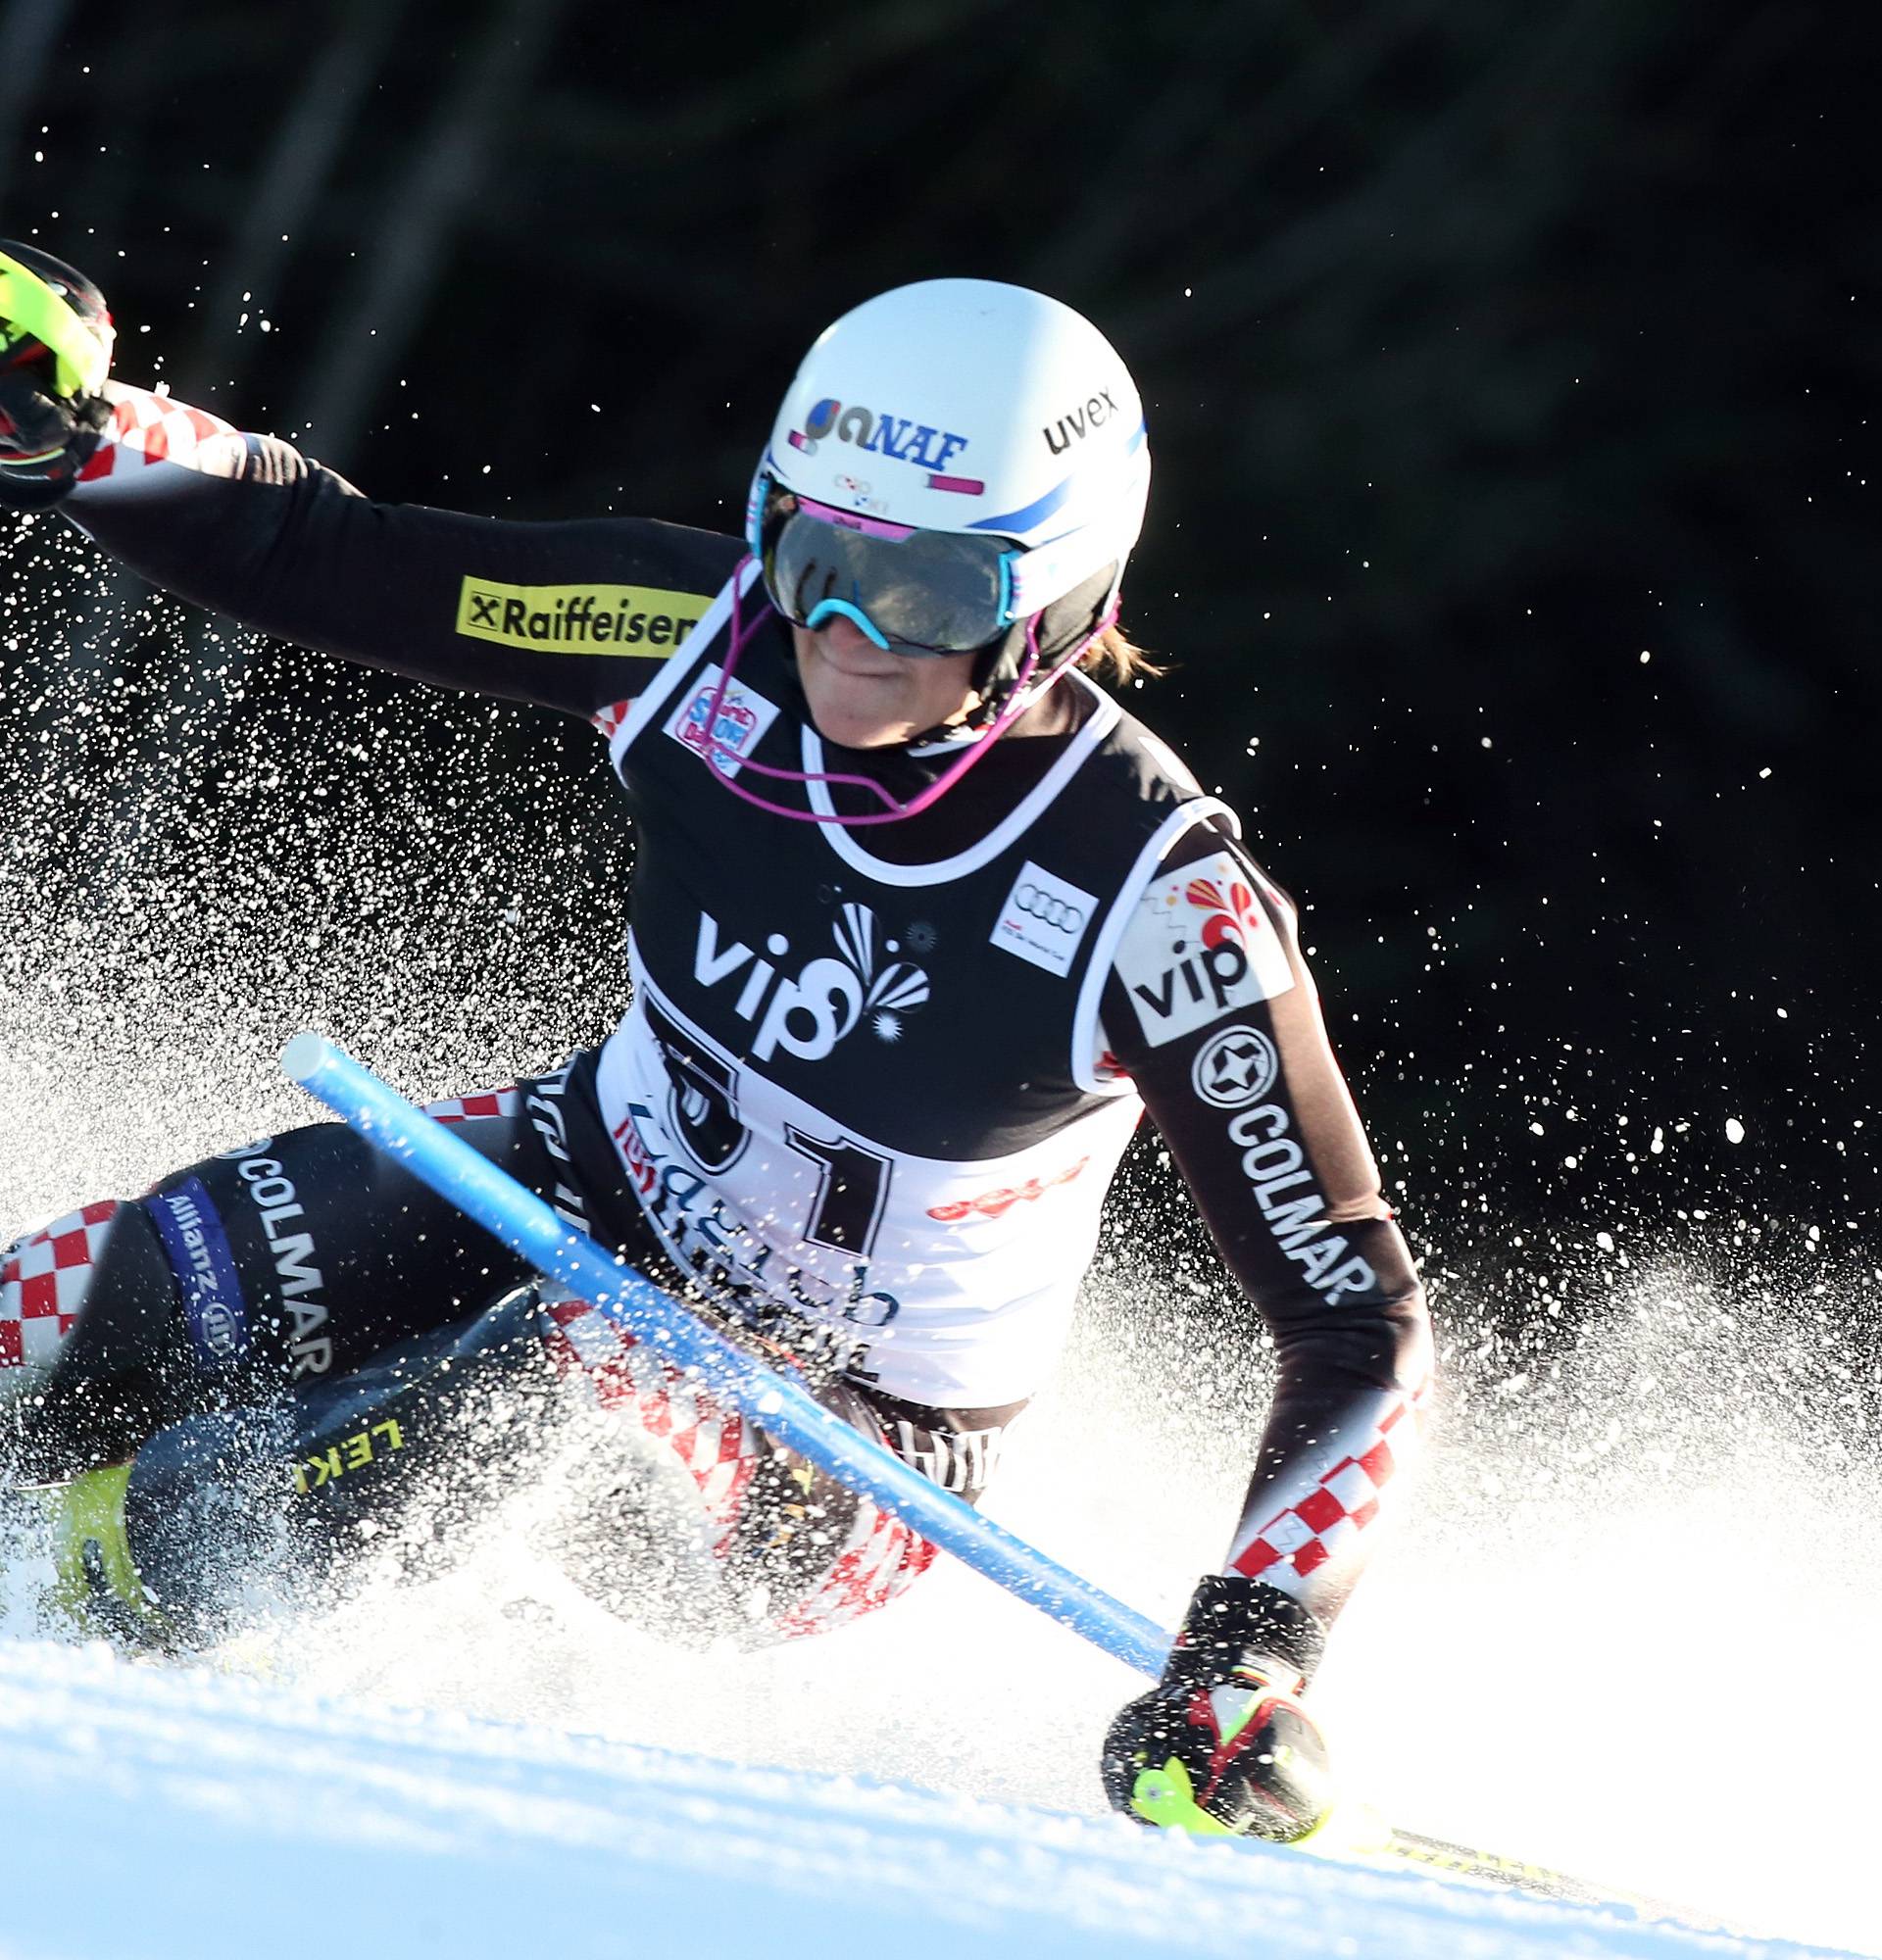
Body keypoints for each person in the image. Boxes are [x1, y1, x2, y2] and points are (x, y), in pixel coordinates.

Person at [0, 242, 1432, 1843]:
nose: (843, 629)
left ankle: (73, 1642)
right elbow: (326, 546)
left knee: (566, 1384)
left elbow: (1357, 1329)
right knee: (83, 1308)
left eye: (931, 592)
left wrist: (1253, 1653)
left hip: (853, 1443)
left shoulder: (1162, 902)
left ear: (1066, 599)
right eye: (811, 552)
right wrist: (79, 433)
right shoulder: (700, 635)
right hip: (573, 1185)